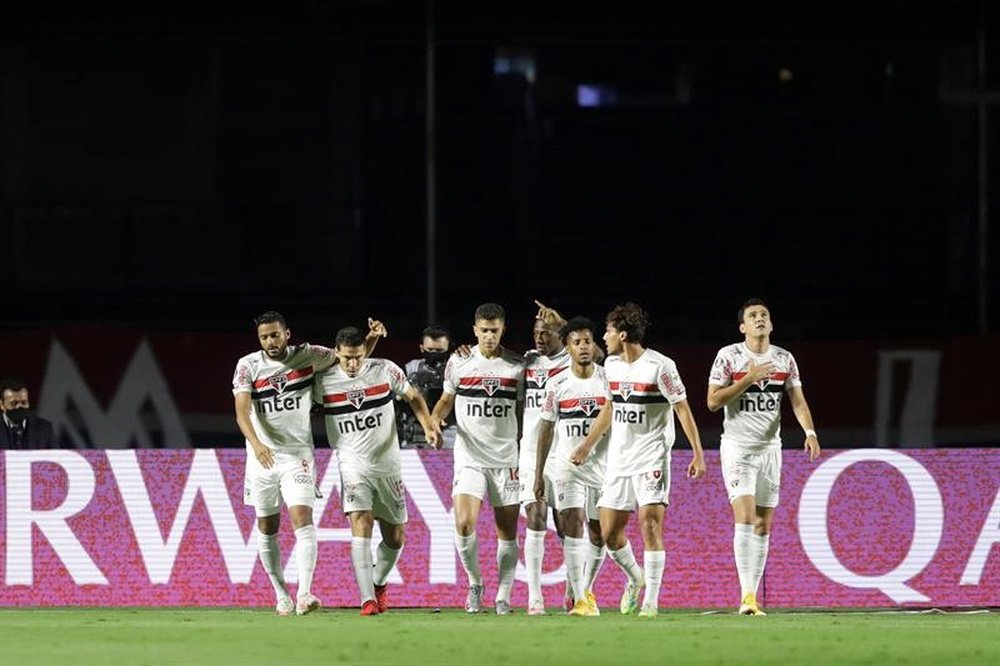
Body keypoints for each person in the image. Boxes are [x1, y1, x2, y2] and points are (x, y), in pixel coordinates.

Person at [232, 310, 384, 616]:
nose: (270, 341)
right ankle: (280, 594)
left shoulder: (309, 355)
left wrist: (371, 338)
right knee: (267, 525)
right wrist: (258, 445)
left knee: (302, 518)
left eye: (275, 334)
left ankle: (304, 593)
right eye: (264, 337)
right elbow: (241, 411)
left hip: (297, 456)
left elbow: (350, 359)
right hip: (261, 458)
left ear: (287, 333)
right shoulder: (247, 366)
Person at [571, 301, 706, 618]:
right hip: (619, 459)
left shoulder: (661, 366)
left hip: (651, 457)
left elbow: (682, 408)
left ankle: (651, 602)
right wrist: (587, 445)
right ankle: (636, 579)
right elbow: (610, 407)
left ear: (621, 333)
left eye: (606, 331)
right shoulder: (613, 368)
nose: (603, 337)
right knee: (609, 534)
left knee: (650, 525)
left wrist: (698, 453)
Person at [313, 326, 441, 616]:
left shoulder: (385, 370)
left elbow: (414, 397)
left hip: (388, 465)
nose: (353, 364)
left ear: (364, 352)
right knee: (361, 521)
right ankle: (367, 599)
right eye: (347, 358)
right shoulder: (323, 382)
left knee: (395, 539)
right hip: (352, 464)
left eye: (358, 357)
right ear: (337, 353)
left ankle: (378, 582)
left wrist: (428, 426)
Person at [706, 297, 821, 616]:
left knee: (762, 525)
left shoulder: (784, 359)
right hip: (737, 448)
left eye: (764, 315)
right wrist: (747, 378)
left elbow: (797, 401)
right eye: (753, 315)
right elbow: (713, 402)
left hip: (771, 450)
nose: (759, 319)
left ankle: (752, 597)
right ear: (743, 326)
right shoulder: (728, 357)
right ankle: (746, 596)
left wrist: (810, 433)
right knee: (744, 518)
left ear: (770, 324)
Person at [430, 302, 525, 615]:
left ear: (503, 330)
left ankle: (503, 595)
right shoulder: (459, 363)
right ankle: (475, 584)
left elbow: (525, 410)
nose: (489, 336)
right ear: (474, 331)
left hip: (507, 459)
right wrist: (434, 422)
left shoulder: (516, 365)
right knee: (464, 522)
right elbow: (445, 401)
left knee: (506, 532)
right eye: (484, 330)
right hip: (470, 457)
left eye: (494, 330)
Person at [534, 316, 610, 617]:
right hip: (568, 468)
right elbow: (546, 429)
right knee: (573, 523)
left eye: (587, 341)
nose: (583, 347)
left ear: (594, 345)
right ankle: (580, 599)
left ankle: (586, 589)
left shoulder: (607, 379)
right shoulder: (557, 384)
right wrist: (539, 473)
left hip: (603, 467)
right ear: (567, 347)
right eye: (576, 342)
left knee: (600, 534)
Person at [518, 300, 572, 615]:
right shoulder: (527, 362)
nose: (540, 338)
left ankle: (572, 590)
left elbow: (600, 355)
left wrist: (562, 321)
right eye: (537, 333)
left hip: (563, 452)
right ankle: (534, 596)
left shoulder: (573, 360)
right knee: (536, 517)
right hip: (529, 453)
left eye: (547, 333)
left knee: (566, 524)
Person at [397, 325, 457, 449]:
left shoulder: (458, 369)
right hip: (415, 435)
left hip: (450, 435)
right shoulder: (410, 369)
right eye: (430, 350)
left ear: (449, 349)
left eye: (440, 351)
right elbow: (397, 397)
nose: (434, 354)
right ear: (421, 348)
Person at [0, 378, 57, 449]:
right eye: (14, 403)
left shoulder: (45, 429)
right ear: (2, 405)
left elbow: (56, 457)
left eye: (23, 403)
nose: (19, 406)